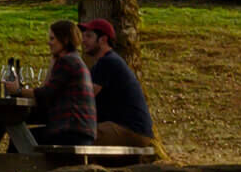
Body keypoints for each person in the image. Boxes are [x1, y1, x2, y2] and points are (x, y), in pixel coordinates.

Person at [78, 18, 157, 151]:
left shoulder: (108, 62)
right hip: (127, 129)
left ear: (103, 39)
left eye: (89, 36)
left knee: (77, 137)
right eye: (83, 36)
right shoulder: (104, 63)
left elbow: (85, 97)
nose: (83, 40)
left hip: (131, 130)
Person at [30, 20, 98, 147]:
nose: (49, 43)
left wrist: (17, 91)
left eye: (52, 38)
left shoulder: (67, 62)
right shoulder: (75, 59)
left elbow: (45, 93)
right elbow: (47, 89)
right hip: (81, 130)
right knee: (25, 136)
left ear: (64, 40)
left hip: (71, 131)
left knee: (21, 140)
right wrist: (53, 61)